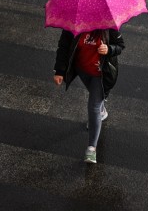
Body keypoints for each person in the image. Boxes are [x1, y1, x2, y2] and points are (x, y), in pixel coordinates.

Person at [53, 29, 125, 163]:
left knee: (94, 107)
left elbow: (120, 45)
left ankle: (91, 149)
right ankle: (102, 111)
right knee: (96, 101)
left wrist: (109, 49)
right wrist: (59, 71)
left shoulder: (109, 25)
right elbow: (63, 47)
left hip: (101, 74)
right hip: (82, 70)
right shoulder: (73, 25)